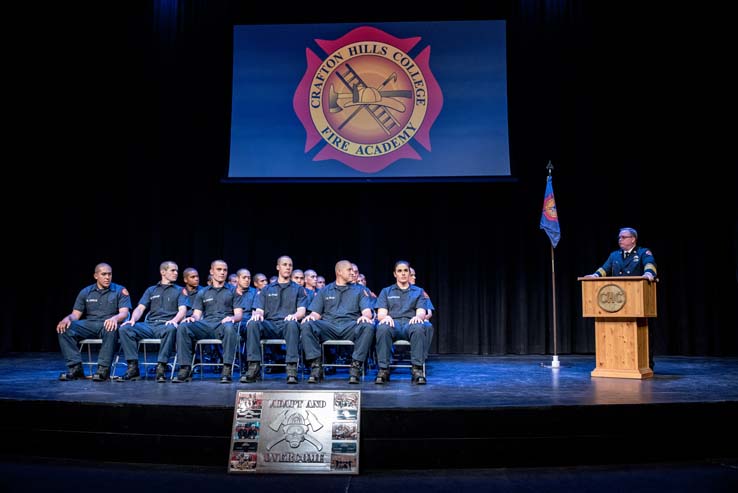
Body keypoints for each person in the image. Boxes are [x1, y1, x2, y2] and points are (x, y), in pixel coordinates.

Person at [586, 227, 658, 368]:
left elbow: (650, 264)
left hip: (636, 300)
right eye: (619, 237)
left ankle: (646, 364)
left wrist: (649, 274)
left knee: (643, 332)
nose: (620, 240)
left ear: (633, 239)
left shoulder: (643, 252)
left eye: (624, 237)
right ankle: (618, 363)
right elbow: (604, 269)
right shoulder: (615, 255)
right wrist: (594, 276)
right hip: (618, 301)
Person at [300, 260, 374, 384]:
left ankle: (355, 367)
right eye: (349, 270)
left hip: (350, 325)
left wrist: (365, 316)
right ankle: (316, 367)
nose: (352, 273)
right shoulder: (325, 290)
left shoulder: (360, 290)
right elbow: (316, 313)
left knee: (368, 326)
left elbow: (367, 312)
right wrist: (311, 316)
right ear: (339, 272)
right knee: (307, 324)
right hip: (329, 326)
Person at [56, 263, 132, 381]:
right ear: (96, 276)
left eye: (109, 274)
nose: (107, 277)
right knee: (65, 328)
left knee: (111, 327)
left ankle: (103, 369)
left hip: (108, 324)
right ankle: (75, 368)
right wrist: (67, 318)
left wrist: (114, 319)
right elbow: (75, 315)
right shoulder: (86, 291)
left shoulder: (120, 290)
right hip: (89, 324)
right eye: (104, 274)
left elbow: (124, 313)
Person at [115, 261, 188, 382]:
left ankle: (161, 367)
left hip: (166, 325)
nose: (176, 273)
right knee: (125, 328)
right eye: (173, 270)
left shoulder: (180, 290)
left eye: (177, 271)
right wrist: (132, 320)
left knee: (171, 328)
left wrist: (174, 320)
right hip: (150, 325)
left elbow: (183, 310)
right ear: (163, 272)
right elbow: (140, 308)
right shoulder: (151, 290)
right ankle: (133, 368)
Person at [173, 259, 243, 383]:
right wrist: (192, 318)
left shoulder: (233, 290)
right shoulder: (203, 292)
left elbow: (239, 315)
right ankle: (185, 368)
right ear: (212, 271)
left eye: (225, 270)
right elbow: (197, 315)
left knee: (229, 327)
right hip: (206, 325)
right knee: (184, 326)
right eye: (219, 269)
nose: (222, 272)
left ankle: (226, 369)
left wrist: (232, 318)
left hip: (223, 324)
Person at [241, 255, 308, 384]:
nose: (288, 267)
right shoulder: (267, 289)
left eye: (290, 265)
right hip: (270, 325)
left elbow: (301, 311)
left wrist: (295, 316)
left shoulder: (298, 289)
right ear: (278, 267)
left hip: (287, 325)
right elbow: (259, 309)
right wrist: (258, 315)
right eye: (284, 264)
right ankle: (253, 367)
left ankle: (291, 369)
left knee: (292, 323)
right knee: (253, 323)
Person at [375, 261, 429, 384]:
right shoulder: (386, 291)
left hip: (410, 324)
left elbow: (421, 311)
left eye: (405, 270)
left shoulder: (418, 291)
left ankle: (417, 369)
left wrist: (418, 317)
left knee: (419, 327)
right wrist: (385, 317)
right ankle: (384, 369)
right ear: (395, 274)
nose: (403, 273)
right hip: (394, 324)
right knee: (382, 327)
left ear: (409, 273)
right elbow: (381, 314)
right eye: (399, 271)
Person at [410, 267, 435, 359]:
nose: (414, 277)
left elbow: (429, 313)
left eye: (414, 275)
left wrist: (421, 318)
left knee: (428, 326)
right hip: (402, 322)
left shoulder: (421, 292)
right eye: (412, 275)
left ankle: (421, 357)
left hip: (419, 320)